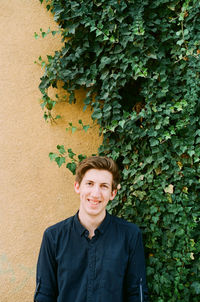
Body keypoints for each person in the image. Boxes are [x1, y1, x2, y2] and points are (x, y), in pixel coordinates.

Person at [34, 156, 148, 302]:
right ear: (77, 187)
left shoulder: (130, 235)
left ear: (113, 193)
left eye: (104, 186)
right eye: (89, 183)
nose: (95, 193)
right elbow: (44, 294)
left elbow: (137, 295)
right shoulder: (53, 237)